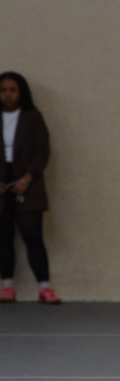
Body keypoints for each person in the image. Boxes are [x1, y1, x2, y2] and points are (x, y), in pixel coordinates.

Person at [0, 72, 60, 304]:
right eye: (3, 90)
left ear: (21, 92)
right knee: (3, 237)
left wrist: (27, 179)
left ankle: (44, 287)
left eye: (12, 90)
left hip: (29, 183)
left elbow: (42, 151)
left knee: (33, 236)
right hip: (3, 182)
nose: (7, 95)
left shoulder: (33, 117)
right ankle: (7, 286)